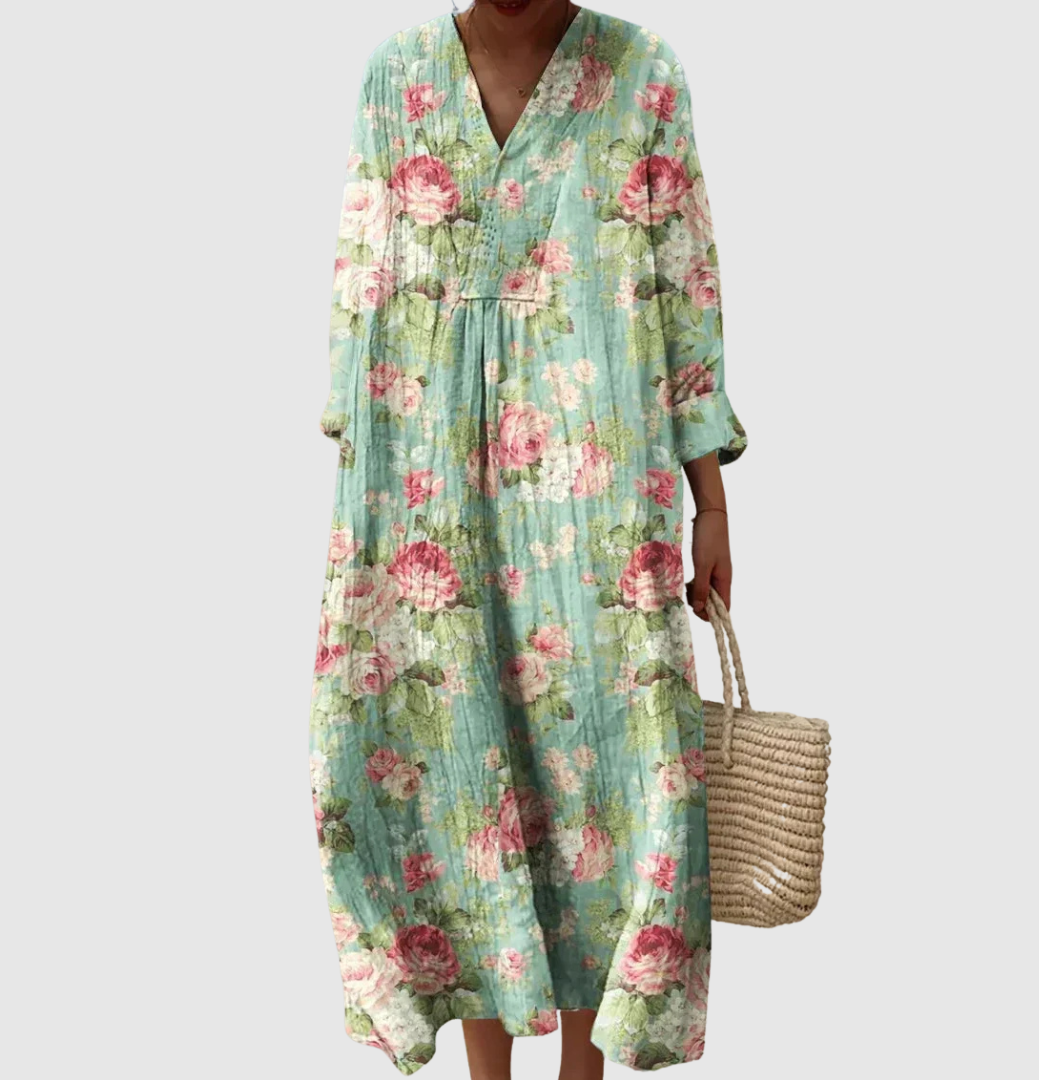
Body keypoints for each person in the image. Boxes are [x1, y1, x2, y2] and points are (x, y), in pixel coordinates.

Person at [309, 2, 747, 1076]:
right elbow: (361, 296)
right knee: (453, 766)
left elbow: (683, 293)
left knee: (604, 778)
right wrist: (365, 507)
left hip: (598, 500)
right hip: (428, 485)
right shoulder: (397, 77)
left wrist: (712, 504)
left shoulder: (642, 75)